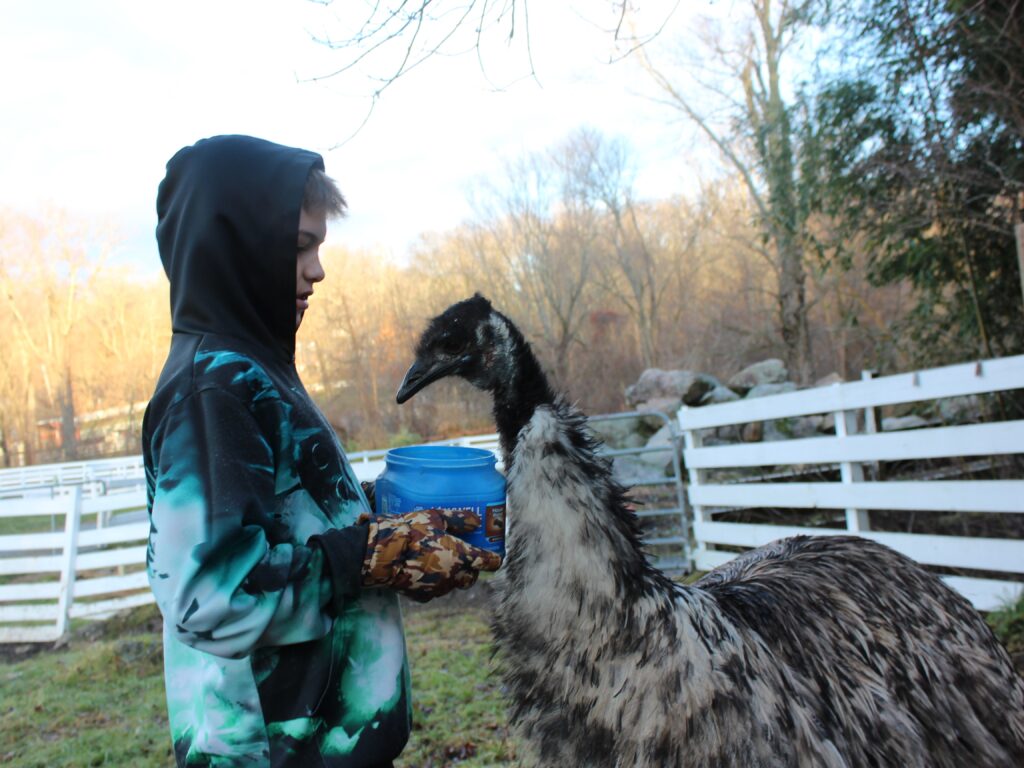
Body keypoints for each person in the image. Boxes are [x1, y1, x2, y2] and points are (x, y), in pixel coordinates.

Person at [143, 134, 501, 767]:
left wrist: (393, 527)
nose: (317, 269)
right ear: (239, 250)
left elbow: (288, 517)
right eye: (299, 246)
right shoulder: (212, 391)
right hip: (273, 753)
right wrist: (362, 557)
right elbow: (211, 596)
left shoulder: (256, 368)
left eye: (318, 246)